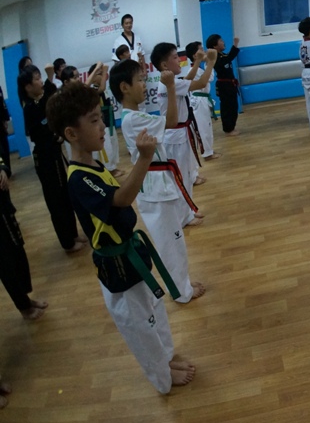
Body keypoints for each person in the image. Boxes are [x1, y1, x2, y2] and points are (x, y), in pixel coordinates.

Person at [49, 81, 196, 392]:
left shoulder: (93, 163)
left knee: (154, 309)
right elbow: (121, 199)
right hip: (116, 265)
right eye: (93, 120)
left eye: (101, 117)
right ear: (71, 133)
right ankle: (161, 377)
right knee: (140, 325)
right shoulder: (78, 178)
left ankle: (167, 358)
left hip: (131, 254)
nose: (103, 125)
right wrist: (144, 158)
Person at [110, 59, 205, 303]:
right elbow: (172, 121)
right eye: (139, 80)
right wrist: (171, 87)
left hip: (158, 185)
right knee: (170, 243)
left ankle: (182, 284)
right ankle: (181, 292)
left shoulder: (135, 116)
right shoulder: (132, 119)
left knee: (174, 239)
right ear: (124, 87)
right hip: (154, 189)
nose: (144, 85)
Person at [17, 65, 88, 252]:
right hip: (45, 159)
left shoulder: (44, 99)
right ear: (28, 87)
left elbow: (52, 98)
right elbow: (36, 133)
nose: (40, 81)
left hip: (55, 154)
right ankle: (67, 242)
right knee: (56, 201)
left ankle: (73, 234)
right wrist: (53, 135)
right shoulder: (29, 108)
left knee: (65, 195)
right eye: (36, 79)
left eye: (40, 77)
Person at [151, 42, 216, 206]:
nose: (179, 60)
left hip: (178, 135)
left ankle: (188, 211)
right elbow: (201, 83)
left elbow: (187, 80)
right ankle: (185, 213)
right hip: (176, 137)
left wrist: (198, 62)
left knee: (185, 175)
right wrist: (211, 62)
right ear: (164, 65)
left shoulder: (170, 82)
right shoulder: (170, 84)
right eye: (175, 57)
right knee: (182, 177)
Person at [0, 152, 48, 320]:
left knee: (17, 251)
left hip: (4, 208)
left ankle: (26, 299)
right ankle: (23, 306)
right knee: (5, 262)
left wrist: (2, 169)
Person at [184, 42, 220, 162]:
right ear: (195, 55)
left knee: (207, 126)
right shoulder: (193, 70)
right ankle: (207, 154)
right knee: (203, 128)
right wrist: (210, 61)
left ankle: (209, 150)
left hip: (203, 99)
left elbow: (209, 77)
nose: (204, 52)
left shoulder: (199, 69)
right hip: (198, 101)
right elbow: (209, 78)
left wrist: (209, 62)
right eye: (201, 50)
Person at [209, 34, 241, 136]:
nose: (223, 42)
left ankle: (231, 127)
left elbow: (228, 58)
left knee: (233, 106)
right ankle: (228, 129)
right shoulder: (215, 57)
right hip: (224, 86)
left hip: (230, 84)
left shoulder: (222, 55)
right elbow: (229, 58)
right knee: (227, 107)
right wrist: (235, 45)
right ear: (215, 46)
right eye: (221, 41)